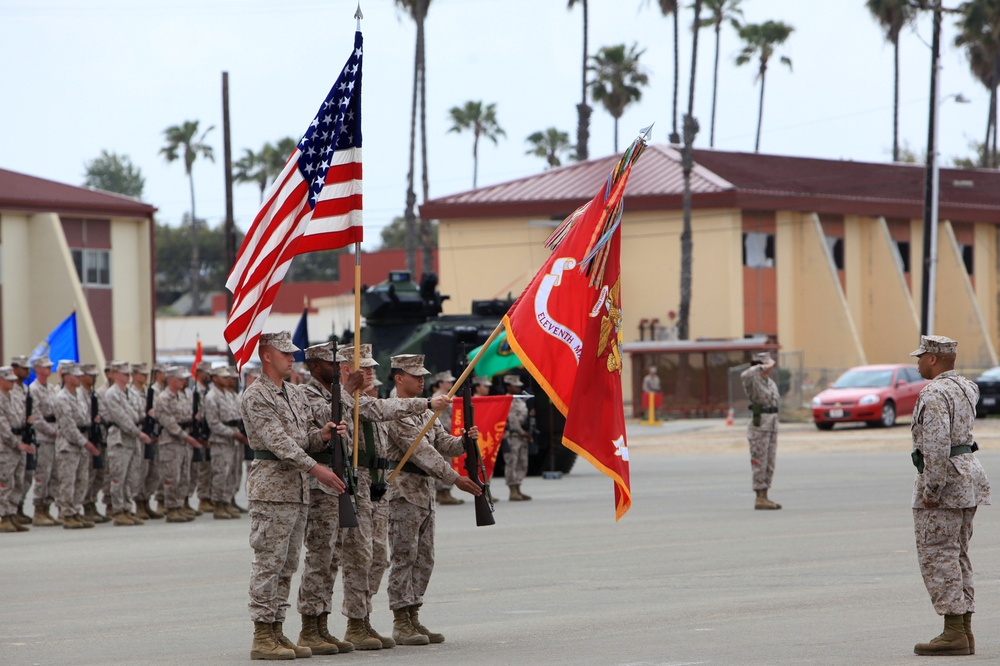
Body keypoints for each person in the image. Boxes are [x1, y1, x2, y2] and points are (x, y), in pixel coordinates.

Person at [241, 331, 349, 661]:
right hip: (272, 490)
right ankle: (262, 634)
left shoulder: (294, 393)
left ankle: (277, 629)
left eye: (292, 353)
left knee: (288, 564)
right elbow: (280, 444)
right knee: (268, 563)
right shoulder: (255, 395)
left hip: (297, 489)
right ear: (266, 355)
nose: (291, 358)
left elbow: (302, 439)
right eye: (285, 353)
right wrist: (317, 469)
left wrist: (323, 435)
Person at [336, 344, 448, 650]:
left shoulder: (371, 403)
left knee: (381, 556)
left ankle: (375, 620)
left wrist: (460, 438)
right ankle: (357, 622)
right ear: (347, 370)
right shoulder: (345, 401)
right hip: (356, 486)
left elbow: (391, 413)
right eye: (366, 368)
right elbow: (394, 416)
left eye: (373, 367)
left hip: (378, 487)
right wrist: (427, 402)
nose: (372, 372)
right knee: (359, 557)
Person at [384, 354, 481, 646]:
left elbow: (443, 444)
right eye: (415, 375)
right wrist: (454, 479)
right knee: (404, 556)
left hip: (423, 493)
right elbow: (421, 453)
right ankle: (401, 621)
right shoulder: (393, 411)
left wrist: (465, 440)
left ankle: (414, 615)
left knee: (424, 558)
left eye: (423, 375)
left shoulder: (425, 411)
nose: (422, 380)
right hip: (403, 493)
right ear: (399, 378)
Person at [909, 335, 991, 656]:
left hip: (946, 482)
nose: (917, 362)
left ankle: (953, 631)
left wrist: (931, 488)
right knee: (958, 553)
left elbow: (936, 444)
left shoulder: (933, 393)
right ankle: (965, 630)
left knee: (938, 553)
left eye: (921, 357)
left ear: (933, 359)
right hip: (969, 477)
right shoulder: (967, 387)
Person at [102, 360, 152, 525]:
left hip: (133, 439)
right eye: (124, 374)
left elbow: (139, 414)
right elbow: (122, 418)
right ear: (115, 374)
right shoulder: (111, 394)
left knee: (131, 477)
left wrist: (138, 429)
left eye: (128, 374)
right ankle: (118, 511)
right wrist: (139, 433)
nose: (128, 377)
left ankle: (127, 508)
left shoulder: (132, 393)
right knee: (118, 477)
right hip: (120, 440)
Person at [54, 362, 100, 529]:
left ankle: (76, 511)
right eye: (76, 375)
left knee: (82, 480)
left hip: (82, 443)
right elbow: (68, 426)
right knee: (68, 481)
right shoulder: (61, 398)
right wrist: (86, 443)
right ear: (66, 377)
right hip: (69, 446)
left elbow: (84, 418)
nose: (80, 378)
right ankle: (67, 514)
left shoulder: (80, 396)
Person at [154, 367, 202, 523]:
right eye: (180, 379)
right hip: (171, 442)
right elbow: (170, 423)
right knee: (172, 476)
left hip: (184, 441)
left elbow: (189, 416)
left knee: (184, 476)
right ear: (170, 379)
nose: (183, 381)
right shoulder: (163, 398)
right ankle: (171, 508)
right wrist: (188, 438)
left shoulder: (183, 396)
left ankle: (180, 505)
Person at [741, 352, 781, 510]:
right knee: (760, 461)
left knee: (769, 463)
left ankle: (765, 495)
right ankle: (759, 497)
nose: (770, 368)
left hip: (771, 425)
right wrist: (759, 366)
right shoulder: (752, 379)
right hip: (759, 426)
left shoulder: (769, 382)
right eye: (767, 365)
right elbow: (745, 374)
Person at [0, 366, 34, 533]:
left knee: (17, 480)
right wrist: (16, 443)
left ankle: (12, 513)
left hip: (19, 443)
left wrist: (28, 422)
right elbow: (3, 426)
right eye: (8, 379)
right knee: (5, 481)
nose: (12, 382)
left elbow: (20, 418)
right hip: (5, 445)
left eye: (13, 380)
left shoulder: (15, 397)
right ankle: (3, 517)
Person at [28, 355, 61, 526]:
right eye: (46, 367)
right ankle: (39, 509)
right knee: (43, 473)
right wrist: (53, 432)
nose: (49, 369)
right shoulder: (33, 390)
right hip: (43, 437)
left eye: (50, 367)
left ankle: (47, 507)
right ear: (38, 369)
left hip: (55, 435)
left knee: (54, 474)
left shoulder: (51, 389)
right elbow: (37, 418)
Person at [430, 369, 463, 506]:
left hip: (451, 433)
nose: (451, 383)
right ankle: (442, 492)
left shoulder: (451, 395)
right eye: (448, 381)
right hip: (443, 434)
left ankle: (447, 492)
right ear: (441, 383)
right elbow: (441, 419)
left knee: (449, 462)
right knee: (442, 463)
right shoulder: (438, 397)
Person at [503, 375, 532, 501]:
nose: (518, 388)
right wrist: (523, 432)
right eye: (515, 386)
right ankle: (512, 489)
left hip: (522, 437)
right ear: (508, 386)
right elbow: (513, 420)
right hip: (513, 436)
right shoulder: (506, 400)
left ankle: (518, 487)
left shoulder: (520, 400)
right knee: (512, 462)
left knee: (522, 462)